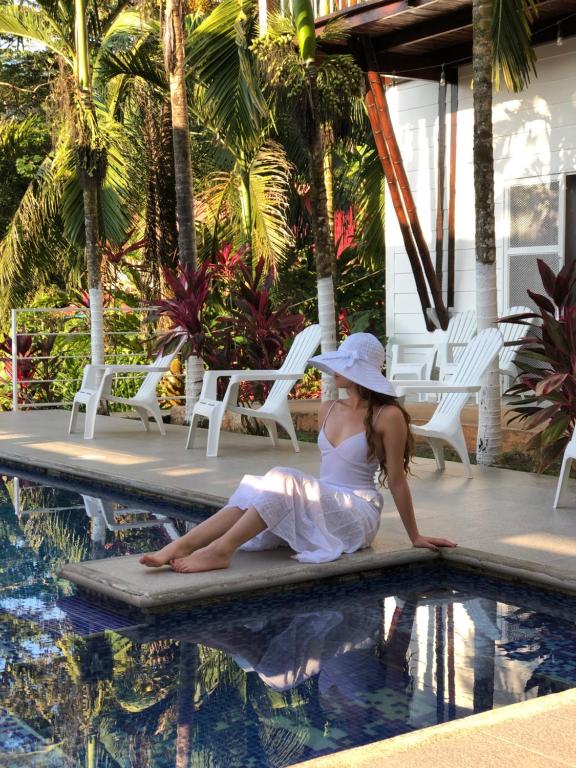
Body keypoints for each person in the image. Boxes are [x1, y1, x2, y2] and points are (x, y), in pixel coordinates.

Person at [140, 332, 456, 573]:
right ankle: (183, 545)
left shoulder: (388, 416)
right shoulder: (328, 407)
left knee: (283, 476)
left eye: (341, 366)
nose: (333, 372)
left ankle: (221, 550)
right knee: (257, 486)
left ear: (358, 371)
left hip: (356, 512)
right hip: (327, 501)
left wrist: (415, 535)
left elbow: (398, 481)